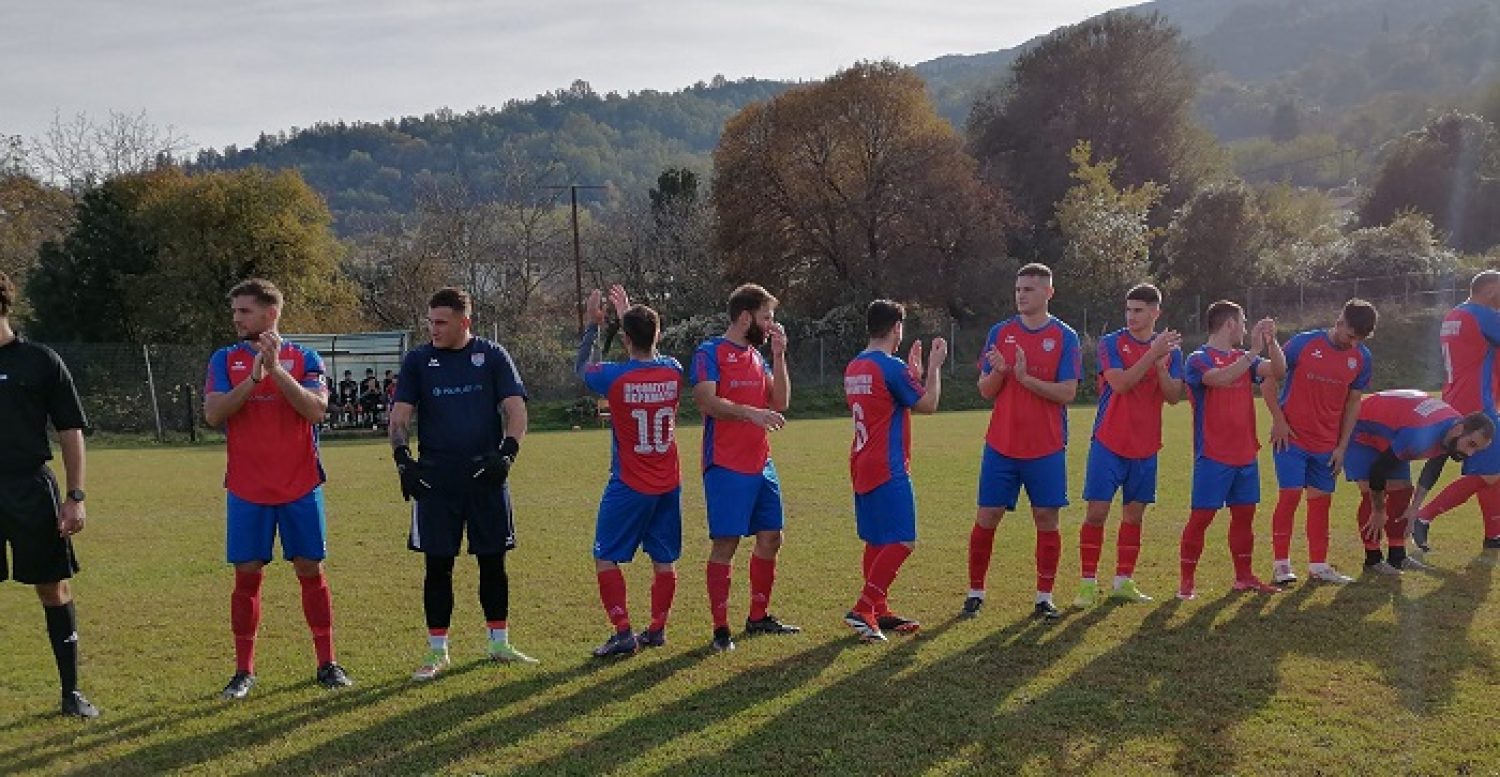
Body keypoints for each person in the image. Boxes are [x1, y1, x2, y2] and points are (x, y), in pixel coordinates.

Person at [203, 278, 351, 700]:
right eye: (235, 311)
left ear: (270, 314)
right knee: (247, 575)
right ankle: (243, 671)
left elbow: (316, 410)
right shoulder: (224, 359)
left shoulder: (304, 357)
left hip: (300, 485)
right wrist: (253, 377)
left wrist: (277, 370)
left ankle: (327, 663)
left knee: (310, 570)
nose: (236, 318)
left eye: (244, 311)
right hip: (247, 488)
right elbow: (214, 414)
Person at [389, 287, 537, 681]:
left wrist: (506, 455)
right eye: (430, 322)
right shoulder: (418, 360)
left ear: (464, 322)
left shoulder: (492, 355)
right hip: (436, 481)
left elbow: (516, 411)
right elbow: (400, 417)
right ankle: (437, 651)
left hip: (484, 476)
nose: (433, 329)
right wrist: (403, 460)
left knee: (493, 561)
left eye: (441, 322)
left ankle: (499, 644)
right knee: (438, 565)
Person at [0, 272, 98, 718]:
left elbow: (70, 430)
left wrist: (75, 495)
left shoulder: (40, 360)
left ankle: (71, 693)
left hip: (29, 488)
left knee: (51, 587)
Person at [964, 263, 1081, 621]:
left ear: (1049, 292)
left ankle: (1044, 597)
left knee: (1046, 518)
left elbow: (1068, 392)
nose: (1021, 295)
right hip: (1001, 444)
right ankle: (975, 593)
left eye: (1029, 289)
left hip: (1046, 446)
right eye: (1018, 289)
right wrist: (1001, 372)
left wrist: (1026, 378)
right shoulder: (1000, 332)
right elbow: (985, 391)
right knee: (988, 516)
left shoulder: (1065, 336)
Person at [576, 285, 684, 657]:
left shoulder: (614, 377)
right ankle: (657, 629)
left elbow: (581, 368)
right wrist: (628, 320)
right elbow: (654, 356)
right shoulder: (673, 371)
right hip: (668, 482)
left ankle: (623, 632)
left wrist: (594, 325)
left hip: (629, 482)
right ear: (658, 334)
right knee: (663, 559)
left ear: (625, 339)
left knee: (605, 555)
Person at [690, 283, 798, 652]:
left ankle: (758, 617)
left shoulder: (757, 356)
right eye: (767, 317)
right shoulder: (709, 352)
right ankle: (721, 630)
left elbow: (780, 402)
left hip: (761, 463)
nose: (771, 325)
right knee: (727, 543)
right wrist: (750, 413)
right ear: (744, 317)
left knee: (772, 537)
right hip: (725, 464)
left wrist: (779, 356)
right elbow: (706, 401)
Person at [842, 300, 946, 642]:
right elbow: (928, 404)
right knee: (903, 540)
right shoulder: (890, 366)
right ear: (896, 328)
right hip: (887, 464)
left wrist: (911, 377)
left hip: (861, 459)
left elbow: (884, 403)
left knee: (877, 539)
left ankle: (879, 610)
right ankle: (864, 607)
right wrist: (933, 368)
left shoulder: (855, 366)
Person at [1075, 283, 1183, 608]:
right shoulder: (1111, 343)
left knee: (1134, 515)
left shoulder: (1171, 351)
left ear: (1155, 313)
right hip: (1109, 441)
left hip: (1146, 445)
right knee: (1097, 512)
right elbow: (1120, 384)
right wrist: (1152, 354)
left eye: (1138, 310)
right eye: (1128, 310)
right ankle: (1087, 583)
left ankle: (1123, 581)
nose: (1131, 316)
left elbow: (1173, 396)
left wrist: (1161, 367)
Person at [1260, 300, 1377, 585]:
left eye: (1359, 339)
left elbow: (1353, 403)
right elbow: (1269, 380)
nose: (1353, 343)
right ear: (1340, 322)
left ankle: (1319, 566)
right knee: (1289, 496)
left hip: (1327, 445)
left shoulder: (1362, 358)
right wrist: (1279, 420)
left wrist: (1342, 447)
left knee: (1321, 503)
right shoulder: (1303, 343)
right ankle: (1281, 565)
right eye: (1350, 336)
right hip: (1291, 439)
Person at [1177, 301, 1286, 600]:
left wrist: (1271, 342)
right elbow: (1217, 378)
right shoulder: (1198, 358)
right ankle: (1186, 582)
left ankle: (1244, 576)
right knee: (1202, 517)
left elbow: (1277, 370)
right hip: (1213, 454)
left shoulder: (1243, 358)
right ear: (1230, 324)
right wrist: (1252, 352)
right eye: (1243, 322)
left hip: (1245, 453)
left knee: (1244, 516)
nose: (1245, 328)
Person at [1345, 390, 1496, 573]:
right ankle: (1373, 558)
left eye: (1476, 449)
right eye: (1471, 444)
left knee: (1403, 491)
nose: (1470, 454)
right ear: (1459, 430)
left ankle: (1397, 556)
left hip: (1396, 430)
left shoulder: (1452, 431)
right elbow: (1379, 470)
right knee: (1372, 495)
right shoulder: (1421, 436)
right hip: (1360, 428)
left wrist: (1415, 508)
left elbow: (1433, 468)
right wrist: (1379, 511)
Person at [1411, 271, 1500, 553]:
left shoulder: (1454, 315)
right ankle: (1423, 517)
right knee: (1490, 473)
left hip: (1456, 398)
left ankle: (1494, 535)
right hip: (1477, 404)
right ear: (1491, 291)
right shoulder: (1482, 315)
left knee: (1492, 470)